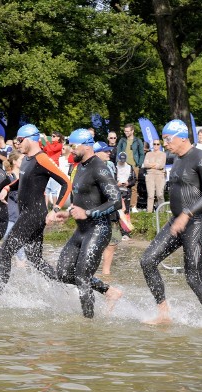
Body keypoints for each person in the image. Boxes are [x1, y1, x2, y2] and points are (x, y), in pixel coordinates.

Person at [140, 119, 202, 324]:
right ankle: (163, 312)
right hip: (176, 222)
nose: (165, 143)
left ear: (182, 137)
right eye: (164, 139)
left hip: (196, 223)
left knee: (193, 278)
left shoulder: (200, 158)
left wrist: (187, 214)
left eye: (168, 139)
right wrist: (179, 216)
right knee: (147, 261)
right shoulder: (176, 159)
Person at [0, 124, 72, 295]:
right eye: (16, 141)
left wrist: (56, 208)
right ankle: (64, 289)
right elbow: (22, 181)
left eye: (20, 140)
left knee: (4, 252)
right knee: (34, 258)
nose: (17, 144)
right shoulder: (27, 159)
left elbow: (66, 182)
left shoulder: (42, 159)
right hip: (29, 213)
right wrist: (8, 188)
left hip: (34, 214)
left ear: (30, 139)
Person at [55, 129, 123, 318]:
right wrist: (68, 213)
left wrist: (88, 213)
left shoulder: (99, 167)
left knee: (82, 276)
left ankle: (88, 323)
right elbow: (84, 199)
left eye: (73, 146)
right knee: (62, 272)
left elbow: (117, 200)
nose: (70, 150)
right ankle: (110, 292)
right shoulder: (81, 166)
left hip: (99, 229)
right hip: (82, 230)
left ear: (86, 145)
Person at [93, 142, 122, 276]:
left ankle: (106, 272)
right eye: (105, 151)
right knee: (96, 242)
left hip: (111, 210)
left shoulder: (108, 166)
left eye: (109, 151)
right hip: (98, 209)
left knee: (113, 242)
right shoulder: (91, 168)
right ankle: (92, 270)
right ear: (96, 153)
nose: (109, 153)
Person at [117, 123, 144, 211]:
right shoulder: (122, 140)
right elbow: (118, 152)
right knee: (121, 185)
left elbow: (141, 154)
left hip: (134, 166)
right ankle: (121, 205)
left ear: (132, 131)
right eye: (125, 131)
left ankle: (133, 206)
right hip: (123, 165)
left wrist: (138, 164)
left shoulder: (138, 141)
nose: (126, 133)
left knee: (134, 187)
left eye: (128, 131)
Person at [142, 140, 166, 212]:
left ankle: (162, 212)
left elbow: (161, 165)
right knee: (150, 195)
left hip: (160, 175)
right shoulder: (148, 154)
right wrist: (155, 165)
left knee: (160, 194)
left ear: (160, 145)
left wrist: (151, 164)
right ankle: (149, 212)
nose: (156, 145)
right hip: (150, 175)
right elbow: (145, 164)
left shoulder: (163, 154)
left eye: (157, 144)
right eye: (154, 144)